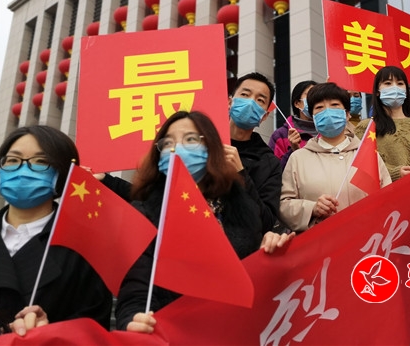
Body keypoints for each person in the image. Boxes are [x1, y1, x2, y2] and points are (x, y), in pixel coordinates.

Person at [115, 111, 293, 333]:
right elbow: (135, 290)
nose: (176, 149)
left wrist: (269, 252)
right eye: (167, 143)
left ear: (211, 149)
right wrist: (134, 320)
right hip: (175, 334)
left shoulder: (240, 207)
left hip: (233, 332)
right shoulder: (146, 212)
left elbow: (252, 280)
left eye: (190, 139)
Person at [0, 126, 112, 336]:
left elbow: (93, 325)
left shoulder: (86, 246)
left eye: (40, 161)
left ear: (62, 173)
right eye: (12, 160)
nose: (23, 169)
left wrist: (51, 333)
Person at [279, 83, 391, 232]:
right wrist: (312, 208)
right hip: (320, 242)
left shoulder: (367, 155)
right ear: (313, 117)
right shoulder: (298, 158)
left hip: (367, 239)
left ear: (347, 114)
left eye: (334, 105)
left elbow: (388, 197)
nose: (327, 111)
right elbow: (284, 205)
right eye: (319, 107)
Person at [356, 66, 410, 181]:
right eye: (388, 83)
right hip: (388, 189)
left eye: (400, 83)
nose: (395, 87)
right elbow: (362, 164)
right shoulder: (366, 126)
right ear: (377, 91)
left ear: (406, 90)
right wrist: (395, 173)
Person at [227, 72, 283, 233]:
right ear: (229, 102)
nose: (251, 102)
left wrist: (241, 174)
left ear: (264, 116)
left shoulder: (269, 163)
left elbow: (266, 221)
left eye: (260, 100)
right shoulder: (204, 143)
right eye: (245, 95)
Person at [269, 80, 317, 170]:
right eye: (310, 94)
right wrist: (293, 151)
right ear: (297, 103)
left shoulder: (330, 132)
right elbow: (274, 172)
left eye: (318, 96)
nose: (315, 99)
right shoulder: (280, 135)